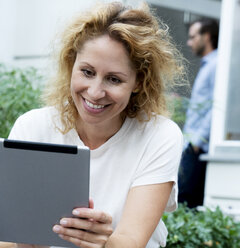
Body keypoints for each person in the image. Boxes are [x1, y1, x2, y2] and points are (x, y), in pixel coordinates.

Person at [7, 2, 185, 248]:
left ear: (138, 81)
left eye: (114, 79)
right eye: (87, 72)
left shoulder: (159, 136)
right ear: (72, 64)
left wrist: (102, 243)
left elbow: (132, 242)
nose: (95, 92)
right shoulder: (32, 127)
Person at [178, 18, 219, 208]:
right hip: (192, 143)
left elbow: (216, 106)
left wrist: (197, 141)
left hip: (197, 146)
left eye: (193, 37)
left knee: (186, 201)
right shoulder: (208, 65)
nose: (189, 42)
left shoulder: (215, 65)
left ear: (207, 36)